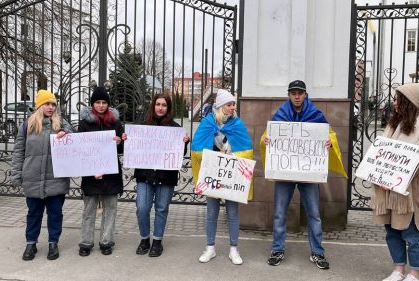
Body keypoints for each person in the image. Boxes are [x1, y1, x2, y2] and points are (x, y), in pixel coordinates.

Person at [262, 80, 337, 269]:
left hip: (309, 173)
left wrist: (329, 142)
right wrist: (266, 139)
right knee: (279, 213)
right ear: (288, 94)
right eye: (293, 93)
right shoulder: (280, 114)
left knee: (314, 214)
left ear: (305, 94)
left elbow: (330, 134)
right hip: (284, 172)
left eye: (300, 93)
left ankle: (317, 252)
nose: (296, 96)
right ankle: (277, 249)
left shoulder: (316, 114)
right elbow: (267, 135)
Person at [374, 83, 419, 281]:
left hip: (406, 191)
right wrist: (379, 173)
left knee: (411, 232)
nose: (394, 103)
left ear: (409, 102)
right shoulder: (394, 123)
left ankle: (414, 273)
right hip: (388, 189)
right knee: (391, 231)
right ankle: (399, 270)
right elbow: (381, 151)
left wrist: (393, 177)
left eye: (398, 99)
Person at [191, 89, 253, 265]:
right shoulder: (208, 123)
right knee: (211, 213)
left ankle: (234, 249)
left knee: (233, 214)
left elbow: (247, 150)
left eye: (233, 104)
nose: (233, 107)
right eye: (229, 104)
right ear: (220, 106)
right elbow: (196, 149)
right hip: (213, 175)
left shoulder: (237, 124)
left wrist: (234, 156)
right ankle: (210, 248)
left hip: (231, 177)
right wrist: (213, 156)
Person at [10, 89, 74, 261]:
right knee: (33, 213)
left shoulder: (61, 123)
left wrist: (66, 135)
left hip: (56, 178)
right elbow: (19, 151)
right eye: (47, 104)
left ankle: (53, 243)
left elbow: (75, 142)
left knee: (55, 213)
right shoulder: (28, 125)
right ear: (40, 106)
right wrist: (16, 174)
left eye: (53, 104)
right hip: (32, 178)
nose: (51, 107)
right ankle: (31, 243)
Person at [134, 93, 190, 257]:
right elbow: (132, 147)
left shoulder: (174, 128)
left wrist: (184, 143)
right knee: (142, 208)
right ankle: (145, 239)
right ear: (153, 106)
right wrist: (126, 139)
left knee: (161, 208)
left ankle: (157, 241)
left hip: (166, 176)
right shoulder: (143, 125)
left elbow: (179, 154)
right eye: (158, 104)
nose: (160, 108)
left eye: (164, 105)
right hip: (145, 174)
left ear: (168, 108)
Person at [77, 87, 126, 257]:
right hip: (91, 175)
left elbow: (123, 148)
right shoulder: (84, 124)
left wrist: (120, 141)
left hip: (111, 174)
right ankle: (86, 242)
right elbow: (80, 150)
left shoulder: (116, 123)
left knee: (110, 209)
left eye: (104, 102)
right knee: (89, 210)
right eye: (97, 102)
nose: (101, 105)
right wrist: (92, 172)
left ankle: (106, 241)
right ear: (92, 104)